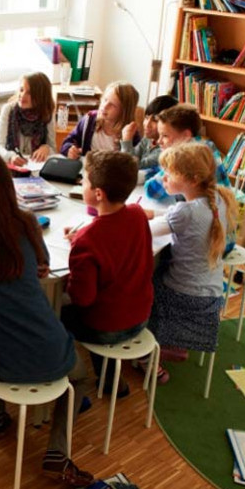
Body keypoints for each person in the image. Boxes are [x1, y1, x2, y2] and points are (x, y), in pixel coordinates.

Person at [0, 149, 93, 488]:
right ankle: (57, 450)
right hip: (47, 343)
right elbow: (43, 265)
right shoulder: (25, 219)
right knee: (79, 379)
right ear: (6, 183)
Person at [61, 151, 155, 392]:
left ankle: (73, 378)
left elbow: (83, 299)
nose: (81, 183)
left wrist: (78, 248)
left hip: (109, 328)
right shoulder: (136, 214)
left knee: (54, 312)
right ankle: (110, 381)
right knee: (109, 303)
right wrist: (81, 240)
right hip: (142, 316)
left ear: (98, 193)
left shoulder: (87, 241)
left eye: (84, 180)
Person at [145, 143, 237, 379]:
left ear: (193, 179)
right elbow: (181, 218)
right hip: (212, 294)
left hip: (183, 297)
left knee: (144, 285)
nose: (164, 178)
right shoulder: (220, 199)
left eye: (170, 173)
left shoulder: (185, 212)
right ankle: (177, 340)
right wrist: (156, 214)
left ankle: (151, 356)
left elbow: (144, 231)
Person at [144, 104, 230, 203]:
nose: (159, 141)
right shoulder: (205, 145)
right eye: (159, 135)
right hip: (223, 207)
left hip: (207, 212)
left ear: (186, 135)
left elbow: (151, 191)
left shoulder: (186, 156)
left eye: (165, 136)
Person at [60, 81, 141, 158]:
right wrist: (69, 149)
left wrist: (127, 141)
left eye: (112, 105)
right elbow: (68, 141)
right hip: (88, 169)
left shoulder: (131, 133)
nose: (104, 106)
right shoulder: (89, 120)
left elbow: (133, 164)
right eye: (105, 100)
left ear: (124, 112)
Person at [0, 71, 56, 165]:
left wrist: (47, 148)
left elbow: (53, 149)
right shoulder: (9, 110)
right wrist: (10, 156)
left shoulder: (46, 114)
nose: (22, 96)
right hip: (10, 166)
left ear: (40, 96)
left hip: (35, 167)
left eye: (29, 93)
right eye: (21, 90)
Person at [120, 94, 178, 170]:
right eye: (146, 118)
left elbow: (130, 167)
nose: (147, 124)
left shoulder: (164, 149)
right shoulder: (148, 139)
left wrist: (127, 140)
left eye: (155, 120)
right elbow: (133, 157)